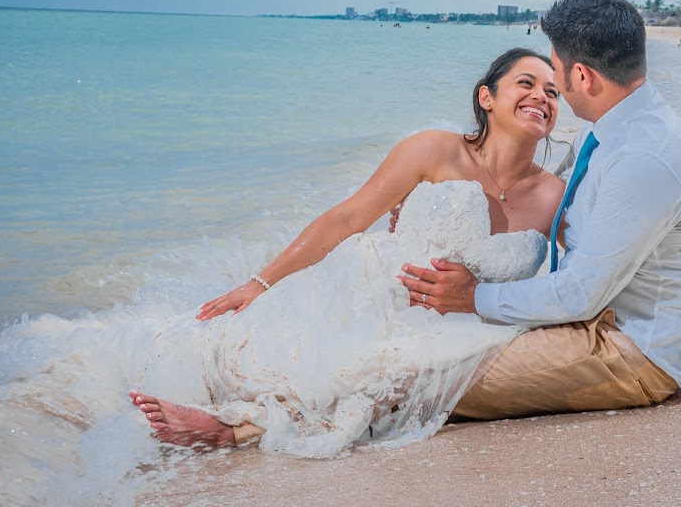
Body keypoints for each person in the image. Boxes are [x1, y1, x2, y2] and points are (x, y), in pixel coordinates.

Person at [129, 48, 568, 456]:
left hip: (467, 328)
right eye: (526, 84)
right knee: (266, 361)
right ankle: (234, 420)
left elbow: (591, 269)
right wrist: (259, 283)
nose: (541, 97)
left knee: (389, 372)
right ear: (486, 98)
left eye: (553, 91)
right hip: (369, 298)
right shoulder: (434, 148)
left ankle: (233, 431)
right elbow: (347, 219)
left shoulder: (555, 196)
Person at [399, 0, 681, 419]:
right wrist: (429, 201)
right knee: (416, 353)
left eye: (555, 70)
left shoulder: (643, 157)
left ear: (583, 77)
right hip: (594, 318)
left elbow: (578, 296)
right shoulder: (606, 131)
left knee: (416, 385)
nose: (553, 84)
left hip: (628, 350)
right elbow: (542, 197)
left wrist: (472, 296)